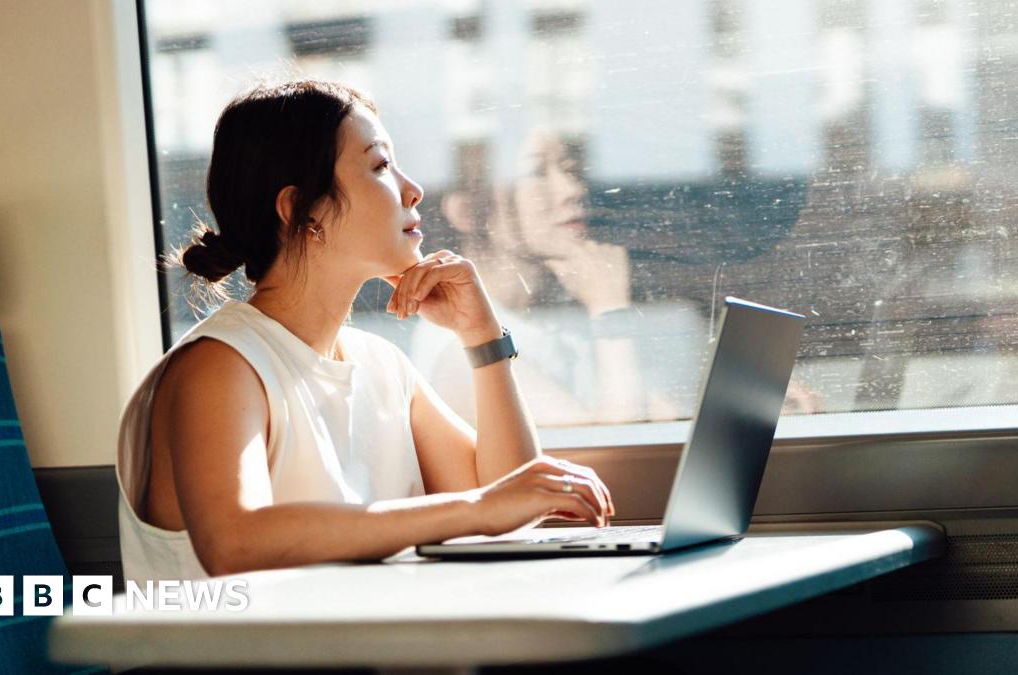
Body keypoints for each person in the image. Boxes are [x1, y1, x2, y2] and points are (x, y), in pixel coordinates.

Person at [115, 80, 615, 585]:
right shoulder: (219, 365)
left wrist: (482, 337)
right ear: (301, 211)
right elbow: (236, 543)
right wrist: (474, 508)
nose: (412, 188)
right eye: (379, 166)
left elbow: (510, 505)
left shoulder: (381, 366)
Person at [411, 131, 697, 426]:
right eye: (536, 172)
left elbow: (659, 421)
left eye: (570, 170)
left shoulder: (552, 322)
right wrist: (610, 309)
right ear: (468, 212)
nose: (573, 189)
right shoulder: (461, 350)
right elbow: (612, 454)